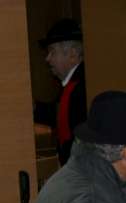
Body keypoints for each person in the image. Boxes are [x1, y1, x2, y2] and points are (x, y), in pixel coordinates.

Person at [34, 18, 87, 165]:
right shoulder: (73, 84)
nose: (47, 58)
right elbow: (58, 114)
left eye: (52, 52)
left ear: (72, 54)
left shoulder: (81, 87)